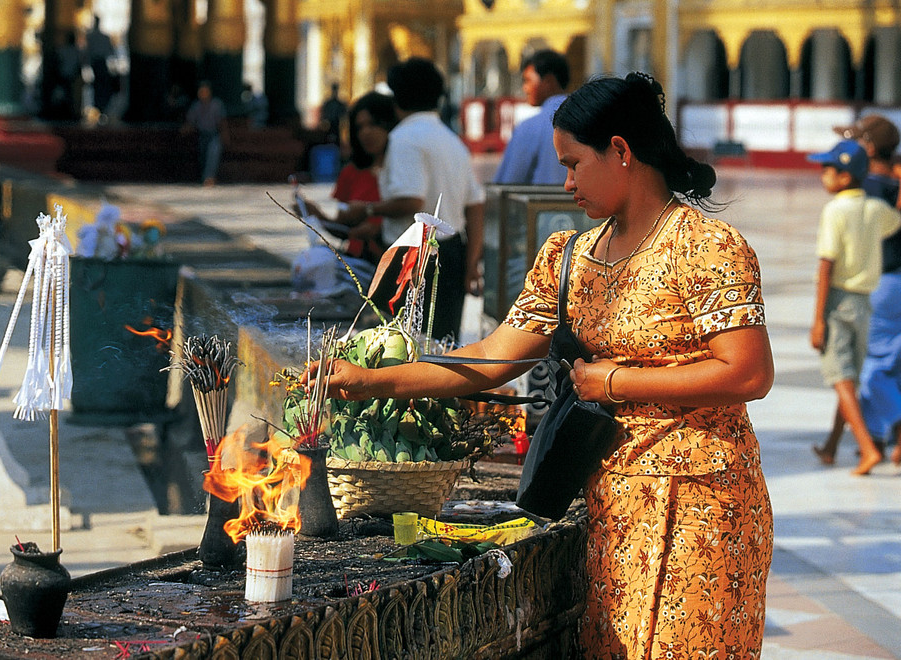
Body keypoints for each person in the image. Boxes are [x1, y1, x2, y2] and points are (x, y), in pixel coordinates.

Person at [317, 72, 775, 657]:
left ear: (621, 152)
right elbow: (491, 357)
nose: (565, 183)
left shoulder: (706, 245)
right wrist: (368, 382)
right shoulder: (570, 257)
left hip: (702, 507)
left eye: (574, 164)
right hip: (613, 504)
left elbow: (748, 373)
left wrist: (613, 380)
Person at [340, 57, 485, 341]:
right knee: (443, 345)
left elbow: (412, 201)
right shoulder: (451, 139)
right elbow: (476, 206)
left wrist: (368, 209)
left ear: (397, 97)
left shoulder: (403, 138)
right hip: (453, 251)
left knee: (405, 346)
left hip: (416, 257)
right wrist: (471, 264)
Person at [808, 139, 901, 474]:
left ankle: (866, 448)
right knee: (847, 375)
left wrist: (818, 319)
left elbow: (825, 266)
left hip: (838, 300)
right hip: (866, 303)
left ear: (845, 177)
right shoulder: (874, 209)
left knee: (839, 376)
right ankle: (833, 444)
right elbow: (895, 220)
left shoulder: (834, 210)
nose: (823, 176)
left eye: (827, 170)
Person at [292, 91, 397, 294]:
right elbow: (343, 229)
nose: (366, 133)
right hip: (361, 268)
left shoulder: (402, 174)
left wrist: (379, 229)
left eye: (374, 124)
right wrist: (317, 215)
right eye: (360, 127)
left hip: (398, 267)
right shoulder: (351, 173)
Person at [493, 49, 569, 185]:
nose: (525, 88)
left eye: (528, 80)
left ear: (549, 82)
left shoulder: (529, 128)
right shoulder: (588, 120)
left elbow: (508, 184)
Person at [183, 80, 228, 187]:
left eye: (205, 91)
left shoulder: (217, 104)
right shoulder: (196, 106)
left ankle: (209, 178)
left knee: (213, 152)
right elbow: (190, 122)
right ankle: (205, 177)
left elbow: (222, 122)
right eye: (201, 91)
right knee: (202, 156)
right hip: (202, 135)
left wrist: (225, 136)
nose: (203, 93)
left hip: (214, 135)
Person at [85, 15, 115, 115]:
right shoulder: (103, 37)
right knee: (101, 87)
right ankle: (100, 107)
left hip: (97, 63)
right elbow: (111, 52)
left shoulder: (91, 37)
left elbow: (88, 52)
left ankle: (99, 107)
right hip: (101, 63)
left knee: (99, 86)